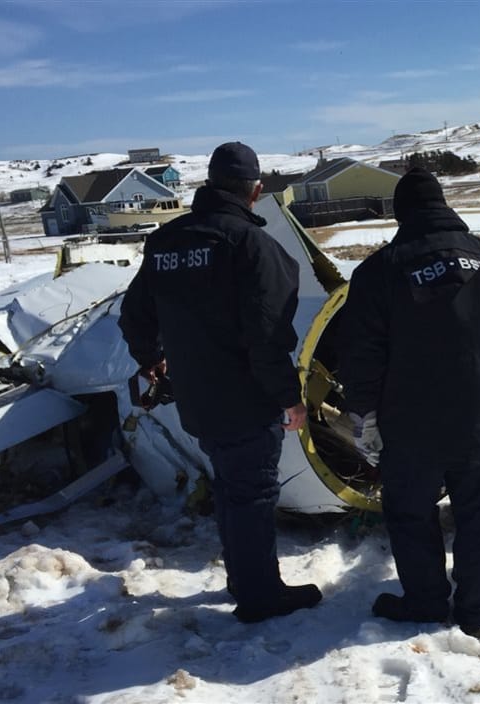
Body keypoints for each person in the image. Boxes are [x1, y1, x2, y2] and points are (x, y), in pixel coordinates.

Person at [118, 141, 322, 623]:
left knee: (233, 488)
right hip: (246, 399)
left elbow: (134, 315)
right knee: (250, 493)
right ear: (254, 191)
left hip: (196, 398)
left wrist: (150, 359)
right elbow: (268, 336)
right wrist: (289, 398)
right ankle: (258, 596)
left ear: (209, 184)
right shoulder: (251, 245)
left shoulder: (166, 242)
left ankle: (244, 579)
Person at [341, 167, 480, 638]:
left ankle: (427, 603)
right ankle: (476, 611)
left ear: (401, 213)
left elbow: (359, 352)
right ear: (444, 204)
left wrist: (364, 413)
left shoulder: (380, 270)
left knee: (412, 515)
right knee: (479, 513)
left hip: (410, 421)